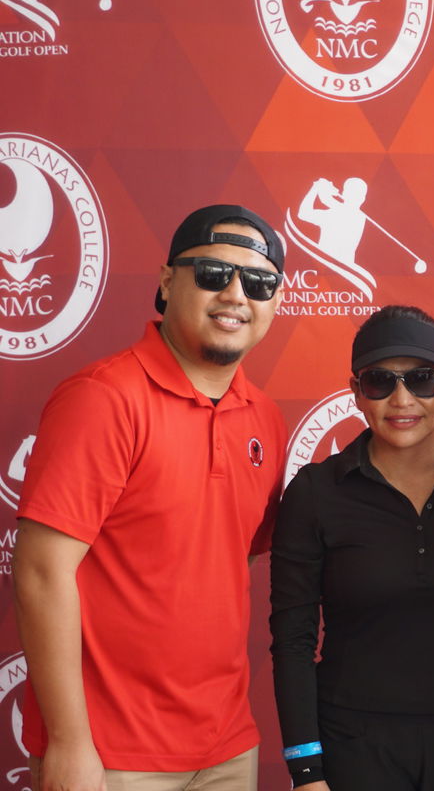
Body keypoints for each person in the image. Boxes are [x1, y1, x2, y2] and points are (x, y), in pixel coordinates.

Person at [14, 205, 288, 790]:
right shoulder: (103, 397)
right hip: (111, 752)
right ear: (168, 282)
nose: (236, 293)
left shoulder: (264, 416)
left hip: (226, 745)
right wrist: (68, 743)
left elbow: (232, 560)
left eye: (259, 282)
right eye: (213, 273)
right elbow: (40, 571)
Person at [269, 306, 434, 791]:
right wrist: (306, 770)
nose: (401, 399)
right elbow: (293, 639)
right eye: (379, 381)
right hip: (353, 744)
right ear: (356, 393)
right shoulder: (315, 492)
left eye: (422, 379)